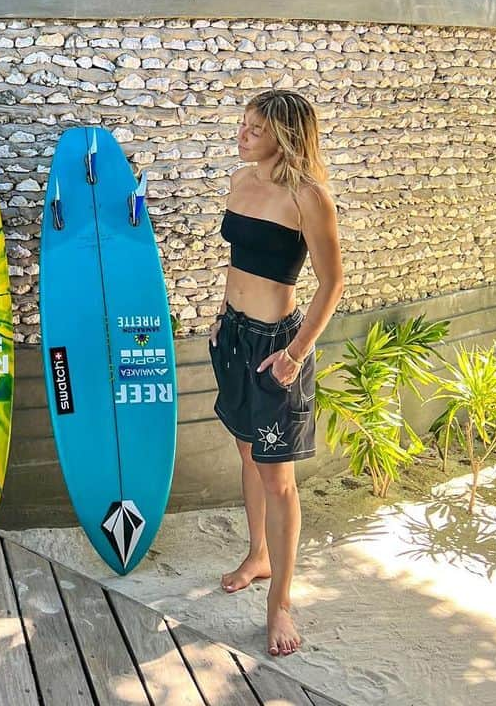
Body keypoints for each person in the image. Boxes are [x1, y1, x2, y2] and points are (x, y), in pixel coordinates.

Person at [209, 89, 343, 658]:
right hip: (234, 337)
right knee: (247, 454)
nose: (243, 135)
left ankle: (280, 603)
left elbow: (333, 283)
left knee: (277, 478)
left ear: (286, 134)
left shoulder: (309, 197)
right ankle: (258, 553)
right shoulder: (242, 180)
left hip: (274, 348)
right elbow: (238, 262)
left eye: (255, 128)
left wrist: (294, 353)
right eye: (242, 124)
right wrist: (220, 314)